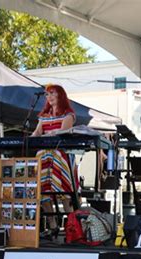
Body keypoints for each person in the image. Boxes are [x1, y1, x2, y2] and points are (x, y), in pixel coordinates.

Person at [31, 84, 78, 238]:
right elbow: (37, 133)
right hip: (44, 156)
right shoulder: (43, 115)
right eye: (47, 94)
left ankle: (72, 227)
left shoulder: (68, 114)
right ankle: (52, 226)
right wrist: (26, 140)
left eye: (52, 93)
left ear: (60, 95)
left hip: (60, 156)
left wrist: (51, 133)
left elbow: (62, 134)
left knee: (65, 191)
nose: (49, 97)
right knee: (42, 190)